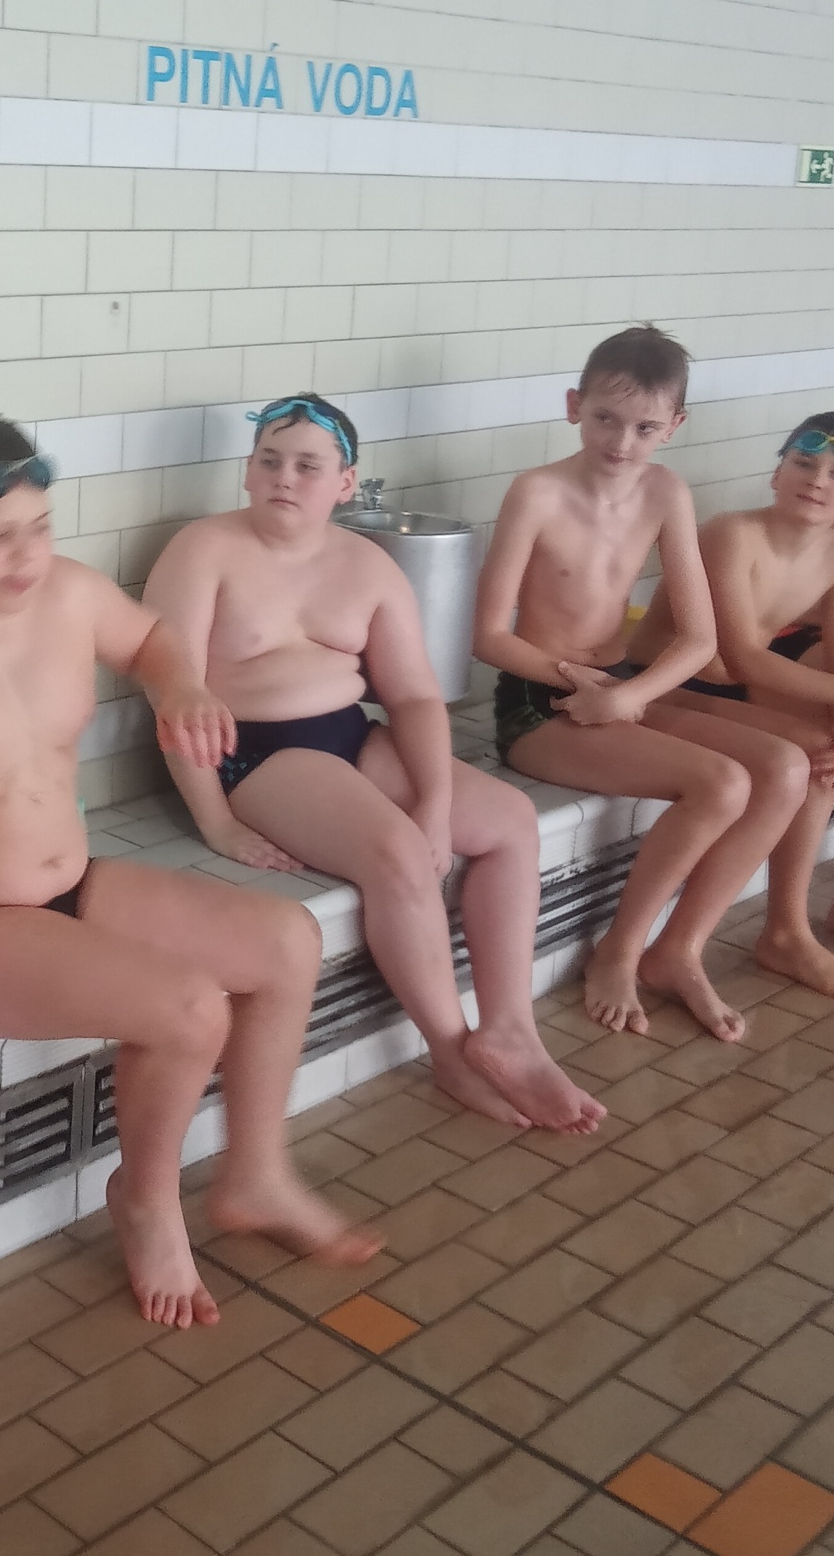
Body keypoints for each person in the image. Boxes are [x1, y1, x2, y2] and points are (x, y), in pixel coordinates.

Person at [0, 411, 378, 1333]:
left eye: (39, 527)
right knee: (190, 1008)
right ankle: (145, 1201)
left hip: (66, 884)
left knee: (287, 940)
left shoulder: (70, 594)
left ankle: (256, 1175)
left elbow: (152, 642)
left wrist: (179, 684)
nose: (26, 556)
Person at [142, 394, 603, 1135]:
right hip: (254, 751)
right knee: (397, 853)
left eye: (308, 465)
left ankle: (509, 1031)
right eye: (269, 460)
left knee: (511, 821)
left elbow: (415, 696)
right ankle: (450, 1050)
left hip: (351, 733)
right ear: (248, 471)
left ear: (345, 483)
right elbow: (171, 695)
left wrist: (434, 802)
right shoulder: (203, 549)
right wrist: (216, 821)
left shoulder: (368, 566)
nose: (284, 477)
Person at [474, 326, 808, 1043]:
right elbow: (490, 637)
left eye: (645, 427)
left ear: (674, 426)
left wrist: (627, 694)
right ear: (574, 406)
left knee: (786, 769)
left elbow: (699, 638)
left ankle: (678, 949)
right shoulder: (537, 493)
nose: (622, 441)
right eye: (605, 418)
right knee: (721, 785)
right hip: (540, 703)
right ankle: (619, 952)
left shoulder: (665, 492)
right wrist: (582, 683)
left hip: (620, 690)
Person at [627, 412, 834, 1021]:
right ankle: (779, 933)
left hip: (732, 689)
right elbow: (744, 658)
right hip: (664, 685)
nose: (817, 480)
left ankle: (792, 929)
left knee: (828, 747)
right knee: (811, 748)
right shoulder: (731, 534)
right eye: (803, 463)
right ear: (777, 474)